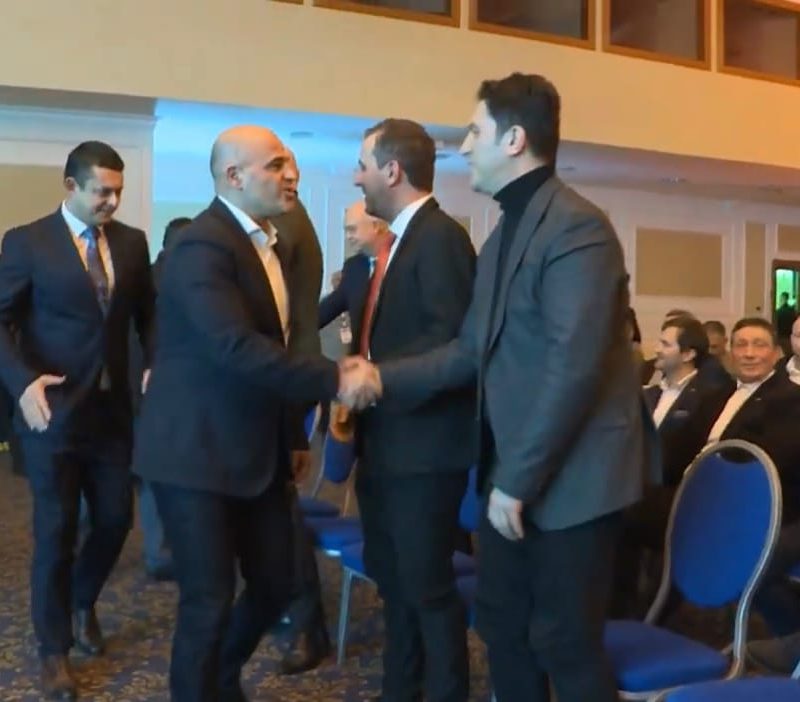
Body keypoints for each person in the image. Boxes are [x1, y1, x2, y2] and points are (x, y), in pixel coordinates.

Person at [343, 73, 658, 702]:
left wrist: (516, 480)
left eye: (475, 131)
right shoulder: (504, 233)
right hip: (516, 473)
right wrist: (381, 377)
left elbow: (572, 366)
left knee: (564, 644)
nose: (463, 146)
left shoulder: (578, 228)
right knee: (504, 632)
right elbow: (467, 351)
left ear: (514, 140)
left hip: (572, 482)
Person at [133, 126, 349, 702]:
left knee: (277, 584)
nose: (292, 174)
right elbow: (233, 347)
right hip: (195, 453)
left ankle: (220, 679)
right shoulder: (201, 245)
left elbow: (275, 347)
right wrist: (336, 377)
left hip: (256, 450)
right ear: (234, 176)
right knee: (207, 600)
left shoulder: (267, 245)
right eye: (276, 165)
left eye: (291, 163)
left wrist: (292, 435)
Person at [0, 140, 155, 700]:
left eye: (118, 192)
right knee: (56, 531)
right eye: (101, 192)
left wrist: (155, 361)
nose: (111, 201)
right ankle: (53, 651)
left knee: (115, 520)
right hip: (53, 413)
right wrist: (22, 382)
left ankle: (81, 599)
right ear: (71, 187)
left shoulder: (132, 244)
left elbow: (148, 314)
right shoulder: (27, 242)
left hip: (112, 414)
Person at [350, 118, 477, 702]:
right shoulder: (402, 240)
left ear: (392, 171)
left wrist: (377, 376)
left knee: (427, 589)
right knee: (395, 584)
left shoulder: (440, 238)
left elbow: (450, 343)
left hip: (424, 451)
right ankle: (400, 689)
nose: (358, 178)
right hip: (388, 444)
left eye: (363, 166)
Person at [270, 150, 332, 675]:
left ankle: (307, 624)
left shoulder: (285, 226)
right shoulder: (287, 221)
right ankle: (291, 612)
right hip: (286, 379)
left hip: (285, 382)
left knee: (280, 515)